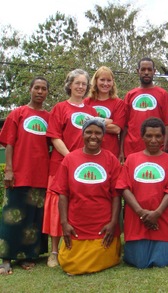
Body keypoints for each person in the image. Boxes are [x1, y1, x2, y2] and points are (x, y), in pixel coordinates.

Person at [50, 118, 122, 275]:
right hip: (77, 224)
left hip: (103, 224)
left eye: (98, 133)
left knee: (104, 256)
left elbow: (117, 195)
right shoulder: (70, 159)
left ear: (104, 136)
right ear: (82, 134)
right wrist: (64, 223)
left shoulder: (111, 159)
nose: (93, 136)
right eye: (89, 132)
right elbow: (63, 194)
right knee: (69, 263)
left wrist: (113, 223)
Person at [43, 69, 98, 268]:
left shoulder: (92, 112)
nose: (81, 87)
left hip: (84, 167)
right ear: (69, 85)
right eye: (77, 83)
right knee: (58, 208)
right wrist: (71, 158)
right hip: (61, 165)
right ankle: (54, 252)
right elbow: (55, 137)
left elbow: (96, 138)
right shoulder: (59, 108)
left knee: (79, 206)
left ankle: (76, 246)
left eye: (84, 84)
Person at [116, 117, 168, 269]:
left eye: (158, 136)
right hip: (137, 220)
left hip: (162, 219)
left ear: (163, 137)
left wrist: (156, 213)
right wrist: (141, 212)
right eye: (149, 136)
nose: (153, 140)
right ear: (142, 137)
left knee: (161, 261)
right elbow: (124, 188)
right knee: (140, 262)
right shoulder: (132, 159)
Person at [0, 77, 50, 275]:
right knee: (11, 217)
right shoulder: (17, 113)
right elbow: (9, 143)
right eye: (36, 88)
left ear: (47, 92)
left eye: (43, 89)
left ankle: (28, 256)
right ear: (30, 90)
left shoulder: (49, 117)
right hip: (19, 175)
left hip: (41, 176)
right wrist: (9, 170)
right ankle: (5, 258)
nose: (39, 91)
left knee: (33, 219)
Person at [119, 57, 168, 162]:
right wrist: (121, 150)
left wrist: (164, 147)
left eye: (149, 69)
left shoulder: (163, 94)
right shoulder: (130, 95)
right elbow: (124, 126)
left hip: (156, 149)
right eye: (143, 69)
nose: (146, 72)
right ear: (138, 71)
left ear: (154, 71)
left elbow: (167, 124)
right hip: (131, 149)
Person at [84, 66, 126, 157]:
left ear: (113, 82)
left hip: (110, 152)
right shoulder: (86, 102)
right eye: (102, 80)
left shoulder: (119, 103)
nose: (105, 83)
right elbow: (82, 126)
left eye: (109, 80)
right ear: (96, 81)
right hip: (89, 151)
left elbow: (116, 129)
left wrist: (93, 121)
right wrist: (107, 121)